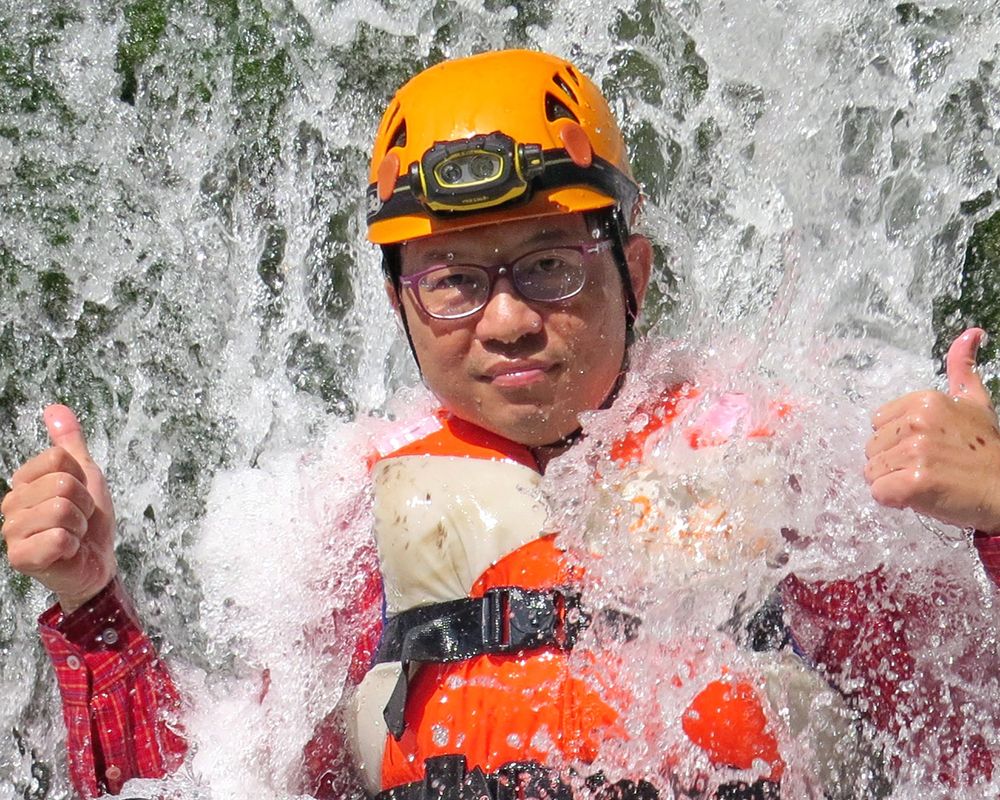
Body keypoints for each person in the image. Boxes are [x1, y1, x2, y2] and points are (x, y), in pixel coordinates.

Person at [2, 49, 998, 800]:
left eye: (549, 266)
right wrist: (93, 611)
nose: (510, 319)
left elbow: (971, 747)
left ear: (634, 271)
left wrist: (995, 521)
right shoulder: (344, 533)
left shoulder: (790, 475)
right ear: (401, 305)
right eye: (454, 281)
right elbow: (202, 786)